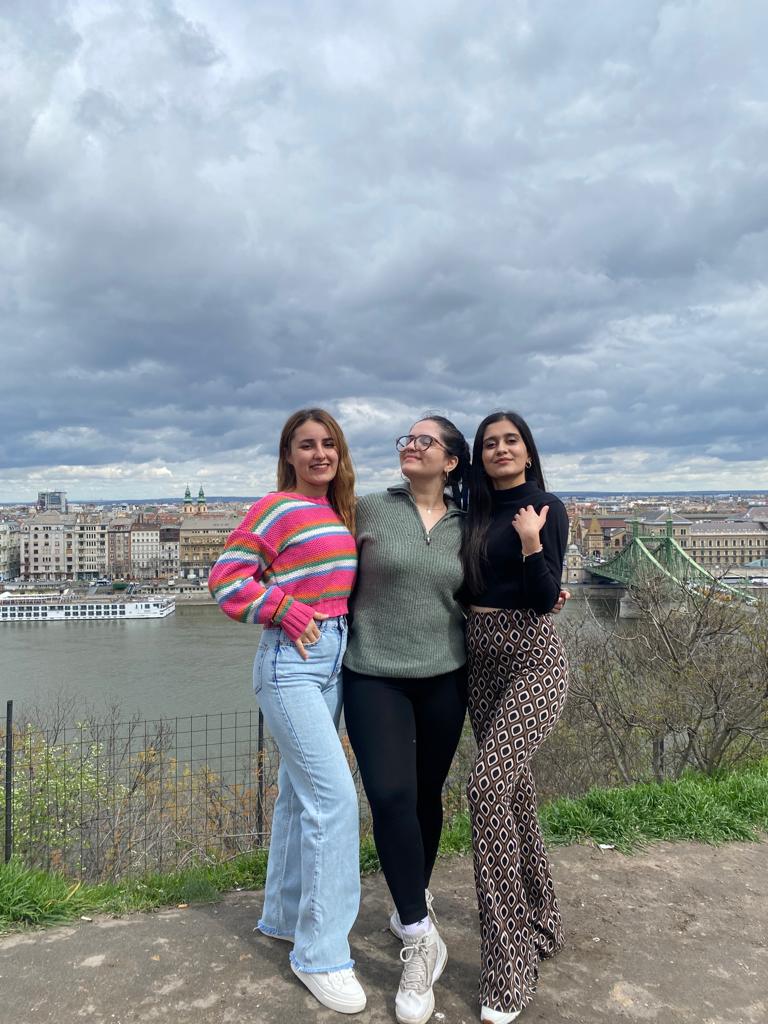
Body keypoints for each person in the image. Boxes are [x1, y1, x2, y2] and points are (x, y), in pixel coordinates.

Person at [208, 408, 366, 1015]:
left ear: (339, 453)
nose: (319, 453)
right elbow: (226, 581)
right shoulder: (275, 508)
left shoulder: (338, 512)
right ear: (289, 455)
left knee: (300, 798)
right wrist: (285, 609)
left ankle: (281, 915)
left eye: (329, 444)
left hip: (332, 662)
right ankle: (320, 955)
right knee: (335, 799)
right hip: (290, 662)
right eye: (307, 445)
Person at [343, 415, 471, 1024]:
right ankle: (420, 938)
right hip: (374, 674)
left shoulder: (470, 525)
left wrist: (546, 589)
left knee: (424, 796)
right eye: (407, 440)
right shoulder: (368, 508)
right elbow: (317, 554)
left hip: (445, 675)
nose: (411, 447)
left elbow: (495, 586)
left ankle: (407, 903)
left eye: (426, 441)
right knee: (390, 795)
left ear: (451, 461)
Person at [460, 411, 570, 1024]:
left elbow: (544, 597)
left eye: (511, 441)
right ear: (479, 456)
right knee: (514, 795)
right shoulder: (472, 513)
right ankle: (544, 920)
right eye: (490, 443)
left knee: (486, 787)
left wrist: (532, 544)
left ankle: (511, 962)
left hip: (533, 657)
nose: (501, 449)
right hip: (481, 661)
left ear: (528, 452)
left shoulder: (546, 508)